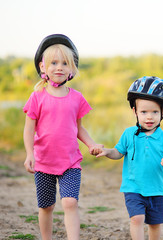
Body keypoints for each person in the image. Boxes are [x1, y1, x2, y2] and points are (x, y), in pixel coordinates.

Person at [23, 34, 103, 240]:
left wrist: (91, 144)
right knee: (46, 206)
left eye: (65, 63)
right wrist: (29, 153)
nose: (59, 67)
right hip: (43, 161)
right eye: (54, 63)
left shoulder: (76, 98)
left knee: (70, 202)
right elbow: (29, 129)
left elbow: (79, 129)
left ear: (72, 68)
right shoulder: (37, 97)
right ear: (43, 67)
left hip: (70, 161)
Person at [93, 76, 163, 240]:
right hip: (133, 188)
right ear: (135, 111)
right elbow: (118, 153)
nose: (149, 117)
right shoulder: (128, 134)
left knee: (155, 224)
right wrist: (108, 152)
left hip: (156, 190)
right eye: (144, 112)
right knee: (137, 218)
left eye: (155, 112)